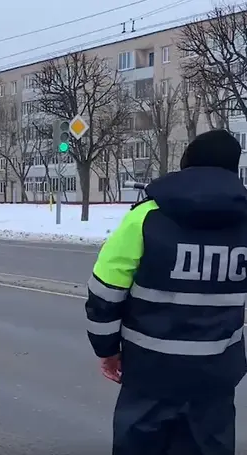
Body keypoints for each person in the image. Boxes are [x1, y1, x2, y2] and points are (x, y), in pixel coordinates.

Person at [85, 129, 247, 455]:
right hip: (214, 380)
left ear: (186, 165)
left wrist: (107, 349)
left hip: (149, 376)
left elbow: (105, 293)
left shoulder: (145, 218)